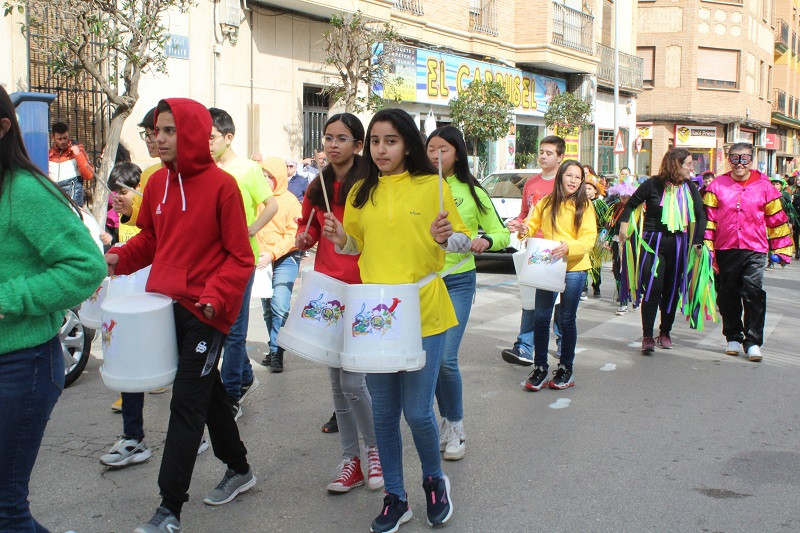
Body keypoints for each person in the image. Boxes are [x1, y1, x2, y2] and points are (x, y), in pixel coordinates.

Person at [105, 98, 257, 533]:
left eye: (169, 130)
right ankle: (240, 467)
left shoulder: (223, 187)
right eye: (156, 130)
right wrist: (117, 258)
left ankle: (169, 509)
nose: (160, 138)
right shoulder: (155, 184)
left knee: (186, 403)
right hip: (167, 306)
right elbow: (151, 240)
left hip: (209, 312)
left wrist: (215, 295)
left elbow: (240, 257)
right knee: (205, 395)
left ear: (190, 132)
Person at [322, 108, 470, 533]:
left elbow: (460, 241)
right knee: (384, 413)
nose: (381, 149)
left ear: (407, 144)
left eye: (391, 140)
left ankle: (433, 482)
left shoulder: (432, 186)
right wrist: (341, 239)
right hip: (376, 316)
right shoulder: (359, 192)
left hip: (425, 310)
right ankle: (396, 497)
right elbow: (356, 246)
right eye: (374, 141)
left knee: (418, 412)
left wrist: (447, 236)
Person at [0, 84, 106, 532]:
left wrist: (7, 298)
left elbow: (86, 266)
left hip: (19, 367)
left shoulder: (22, 191)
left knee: (5, 512)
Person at [295, 112, 384, 493]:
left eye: (342, 138)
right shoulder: (319, 186)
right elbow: (309, 227)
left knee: (353, 379)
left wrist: (347, 235)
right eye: (328, 138)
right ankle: (351, 460)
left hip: (364, 290)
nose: (333, 145)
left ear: (358, 145)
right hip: (328, 289)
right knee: (337, 382)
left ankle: (376, 449)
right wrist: (304, 236)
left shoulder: (372, 187)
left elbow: (379, 237)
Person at [426, 125, 510, 460]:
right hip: (424, 283)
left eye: (442, 149)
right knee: (430, 361)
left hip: (458, 280)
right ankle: (445, 421)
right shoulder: (418, 186)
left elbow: (501, 234)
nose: (435, 155)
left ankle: (456, 425)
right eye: (431, 148)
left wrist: (486, 241)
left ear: (457, 153)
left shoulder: (473, 192)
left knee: (446, 357)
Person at [208, 107, 278, 418]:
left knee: (234, 330)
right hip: (209, 260)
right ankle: (246, 377)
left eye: (210, 138)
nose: (205, 144)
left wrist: (251, 228)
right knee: (216, 328)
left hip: (239, 259)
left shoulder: (249, 170)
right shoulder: (203, 169)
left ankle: (232, 394)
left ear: (228, 137)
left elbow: (271, 204)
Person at [703, 143, 793, 361]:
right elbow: (709, 219)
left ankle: (752, 341)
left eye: (744, 158)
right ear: (728, 159)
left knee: (753, 293)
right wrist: (707, 248)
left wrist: (781, 248)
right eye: (734, 158)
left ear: (751, 160)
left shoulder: (764, 185)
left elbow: (776, 219)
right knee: (727, 294)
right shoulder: (717, 185)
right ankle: (733, 336)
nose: (739, 164)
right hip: (726, 247)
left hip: (755, 248)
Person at [619, 147, 706, 354]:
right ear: (676, 165)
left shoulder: (690, 187)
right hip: (653, 243)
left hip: (678, 245)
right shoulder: (652, 184)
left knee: (671, 291)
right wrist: (624, 226)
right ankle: (647, 335)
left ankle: (665, 332)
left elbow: (701, 215)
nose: (691, 168)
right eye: (688, 164)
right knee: (652, 288)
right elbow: (631, 205)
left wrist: (698, 241)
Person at [520, 161, 596, 391]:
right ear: (561, 176)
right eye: (569, 175)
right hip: (548, 266)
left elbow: (588, 239)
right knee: (541, 317)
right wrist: (523, 228)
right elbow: (531, 225)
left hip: (574, 268)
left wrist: (568, 247)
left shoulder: (585, 206)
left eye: (578, 177)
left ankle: (566, 368)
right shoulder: (546, 203)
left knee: (566, 319)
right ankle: (540, 367)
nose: (573, 180)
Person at [501, 135, 565, 365]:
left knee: (559, 303)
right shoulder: (531, 183)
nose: (543, 156)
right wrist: (517, 224)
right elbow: (524, 213)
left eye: (549, 153)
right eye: (541, 152)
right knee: (531, 300)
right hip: (534, 249)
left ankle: (563, 341)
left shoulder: (564, 182)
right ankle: (525, 346)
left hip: (558, 250)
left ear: (560, 157)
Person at [256, 157, 302, 373]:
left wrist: (272, 253)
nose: (265, 180)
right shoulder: (259, 198)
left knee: (279, 305)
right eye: (263, 176)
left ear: (280, 178)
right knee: (267, 308)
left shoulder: (291, 202)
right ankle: (274, 346)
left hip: (285, 258)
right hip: (262, 260)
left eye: (270, 177)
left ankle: (277, 352)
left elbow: (293, 235)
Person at [48, 120, 94, 206]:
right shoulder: (50, 155)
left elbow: (89, 175)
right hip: (55, 202)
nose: (63, 141)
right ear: (53, 137)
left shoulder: (77, 150)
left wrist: (78, 155)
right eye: (59, 139)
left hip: (74, 203)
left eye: (65, 138)